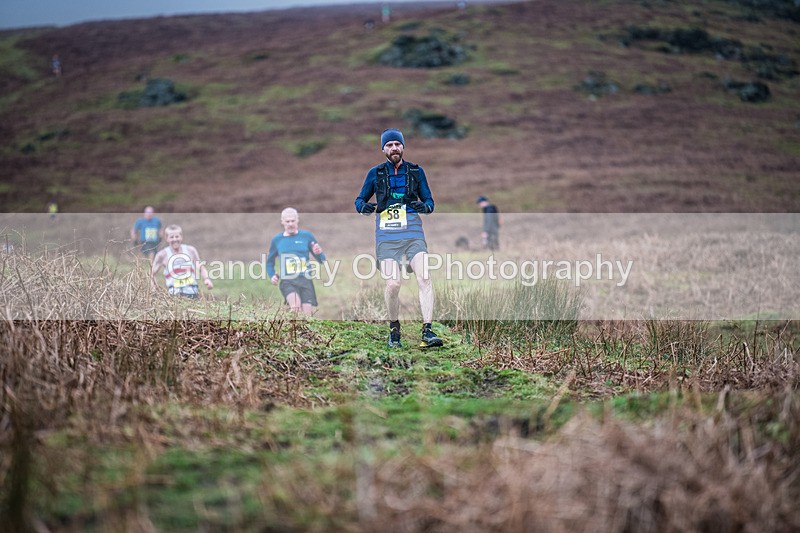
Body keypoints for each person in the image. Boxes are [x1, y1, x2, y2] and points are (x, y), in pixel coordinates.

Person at [355, 128, 443, 349]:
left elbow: (430, 202)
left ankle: (428, 330)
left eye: (397, 144)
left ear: (403, 147)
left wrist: (425, 206)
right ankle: (394, 330)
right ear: (383, 149)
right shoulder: (375, 173)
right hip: (387, 237)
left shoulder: (416, 171)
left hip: (413, 234)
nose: (394, 148)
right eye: (389, 145)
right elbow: (359, 200)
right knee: (393, 284)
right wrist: (363, 207)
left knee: (424, 278)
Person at [265, 207, 326, 316]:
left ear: (297, 220)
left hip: (305, 280)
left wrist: (318, 253)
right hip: (287, 281)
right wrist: (272, 275)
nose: (290, 224)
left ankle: (301, 332)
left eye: (293, 221)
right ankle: (291, 331)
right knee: (296, 307)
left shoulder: (307, 236)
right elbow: (269, 262)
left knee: (307, 316)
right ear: (282, 222)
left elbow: (321, 260)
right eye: (287, 221)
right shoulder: (277, 240)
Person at [150, 224, 213, 298]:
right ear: (167, 239)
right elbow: (151, 274)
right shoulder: (162, 255)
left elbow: (201, 267)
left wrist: (207, 279)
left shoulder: (190, 250)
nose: (174, 239)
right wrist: (154, 289)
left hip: (192, 292)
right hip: (174, 295)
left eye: (177, 236)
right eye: (171, 237)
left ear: (181, 237)